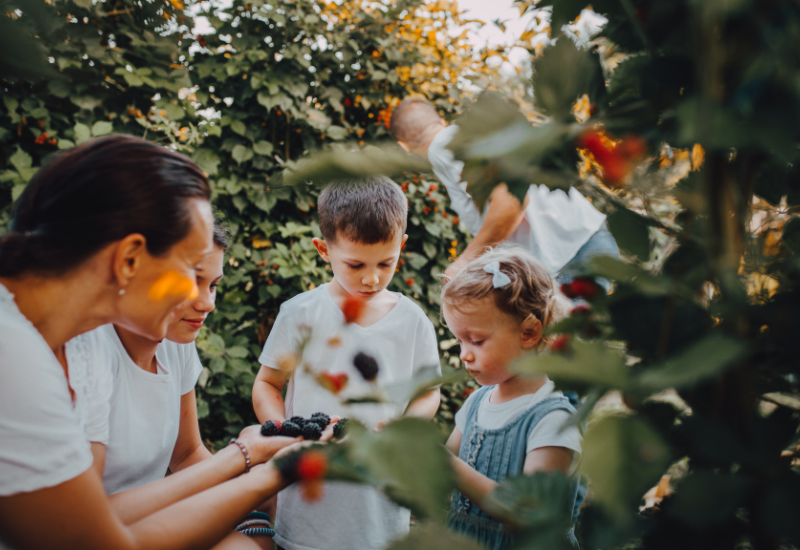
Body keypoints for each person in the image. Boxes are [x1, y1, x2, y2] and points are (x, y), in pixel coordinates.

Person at [0, 135, 300, 550]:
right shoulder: (14, 355)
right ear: (129, 260)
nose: (200, 300)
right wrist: (269, 474)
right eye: (191, 269)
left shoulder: (68, 348)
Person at [252, 176, 442, 550]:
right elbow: (267, 384)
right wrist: (285, 433)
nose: (371, 278)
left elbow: (428, 393)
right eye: (355, 264)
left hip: (379, 502)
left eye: (386, 263)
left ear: (402, 246)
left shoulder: (413, 319)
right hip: (310, 500)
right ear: (323, 249)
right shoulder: (299, 313)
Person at [441, 246, 582, 549]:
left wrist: (449, 468)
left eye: (476, 340)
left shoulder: (553, 420)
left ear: (530, 332)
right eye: (459, 340)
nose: (464, 354)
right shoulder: (476, 404)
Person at [389, 97, 619, 283]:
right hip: (587, 241)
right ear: (440, 120)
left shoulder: (443, 147)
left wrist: (466, 260)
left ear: (403, 146)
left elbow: (512, 199)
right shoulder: (473, 135)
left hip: (570, 258)